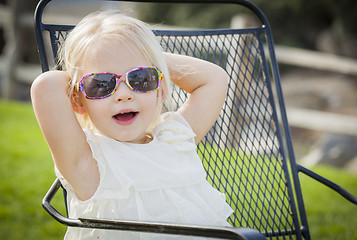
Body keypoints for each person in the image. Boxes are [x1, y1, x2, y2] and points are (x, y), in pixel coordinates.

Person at [31, 11, 232, 240]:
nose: (123, 95)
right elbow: (46, 87)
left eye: (140, 78)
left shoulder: (175, 138)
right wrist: (119, 56)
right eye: (101, 84)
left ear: (161, 89)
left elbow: (215, 78)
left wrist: (149, 57)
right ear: (78, 100)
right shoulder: (88, 164)